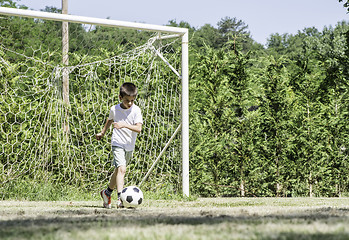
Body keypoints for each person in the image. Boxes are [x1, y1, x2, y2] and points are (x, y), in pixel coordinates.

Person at [96, 82, 143, 208]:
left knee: (118, 171)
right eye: (127, 100)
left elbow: (138, 128)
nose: (130, 103)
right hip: (117, 142)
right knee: (122, 169)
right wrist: (103, 132)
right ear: (120, 98)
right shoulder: (114, 109)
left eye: (132, 100)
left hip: (129, 145)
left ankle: (107, 193)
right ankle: (120, 199)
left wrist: (124, 125)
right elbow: (110, 119)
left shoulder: (136, 110)